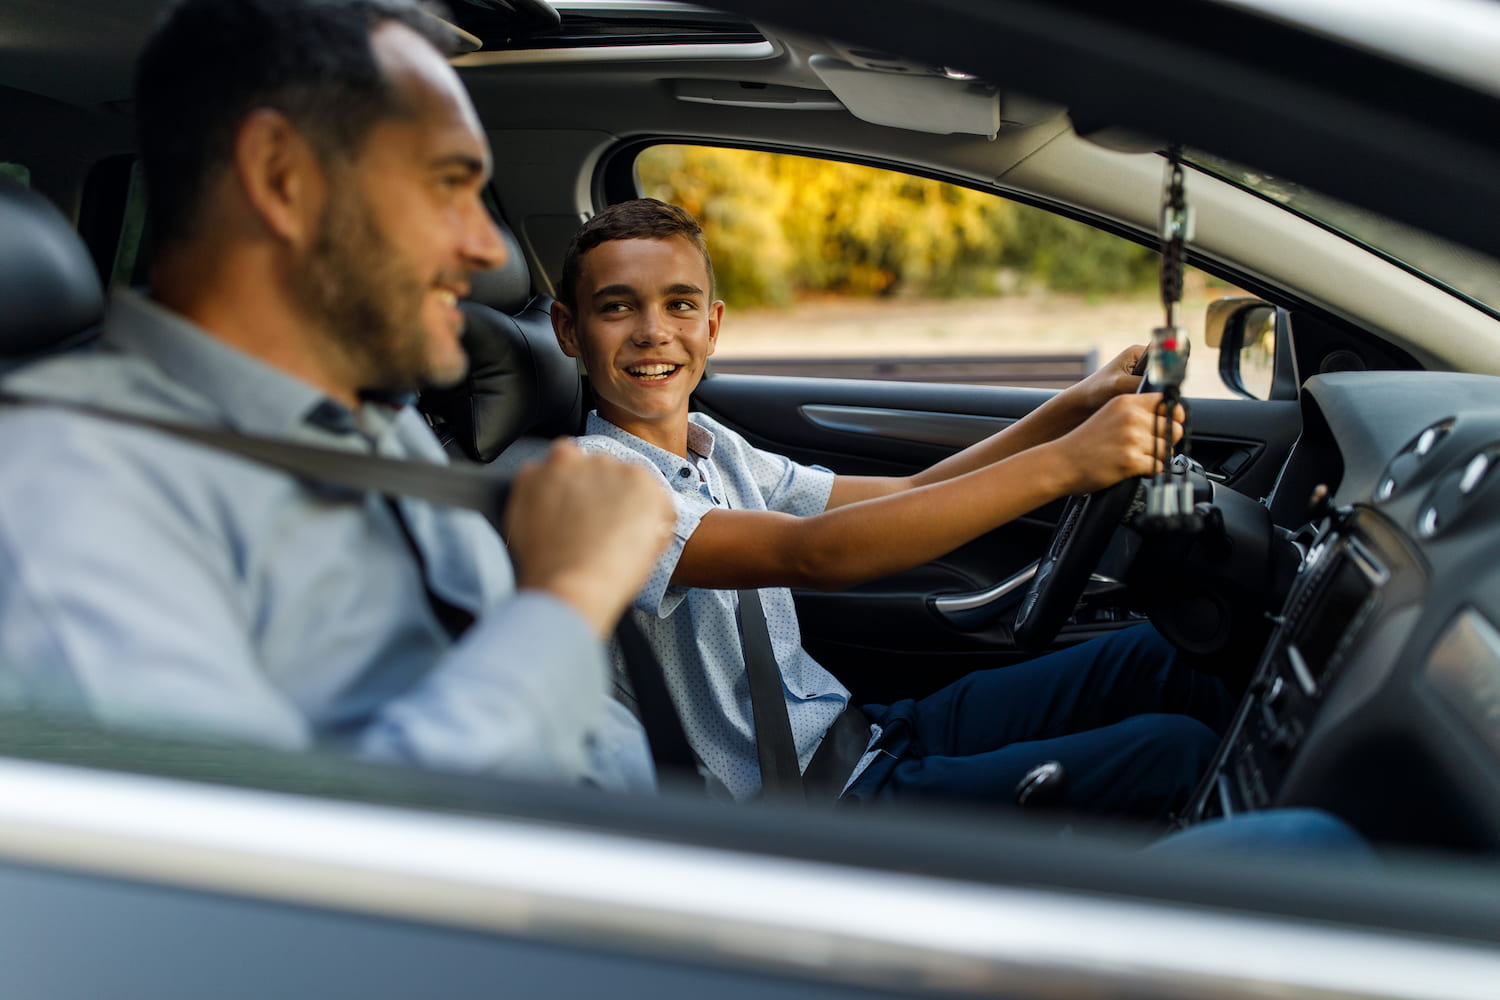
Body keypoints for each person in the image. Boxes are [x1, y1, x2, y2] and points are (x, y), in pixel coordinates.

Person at [0, 0, 675, 791]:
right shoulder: (64, 495)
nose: (486, 246)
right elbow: (272, 882)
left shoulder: (377, 418)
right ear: (283, 177)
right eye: (447, 184)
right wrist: (570, 595)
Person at [554, 198, 1237, 819]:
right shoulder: (598, 484)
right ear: (569, 331)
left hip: (859, 737)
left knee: (1162, 657)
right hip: (805, 812)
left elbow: (909, 494)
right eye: (617, 308)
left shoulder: (714, 449)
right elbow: (812, 552)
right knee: (1171, 756)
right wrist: (1069, 463)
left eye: (679, 305)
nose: (653, 332)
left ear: (713, 325)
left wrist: (1072, 408)